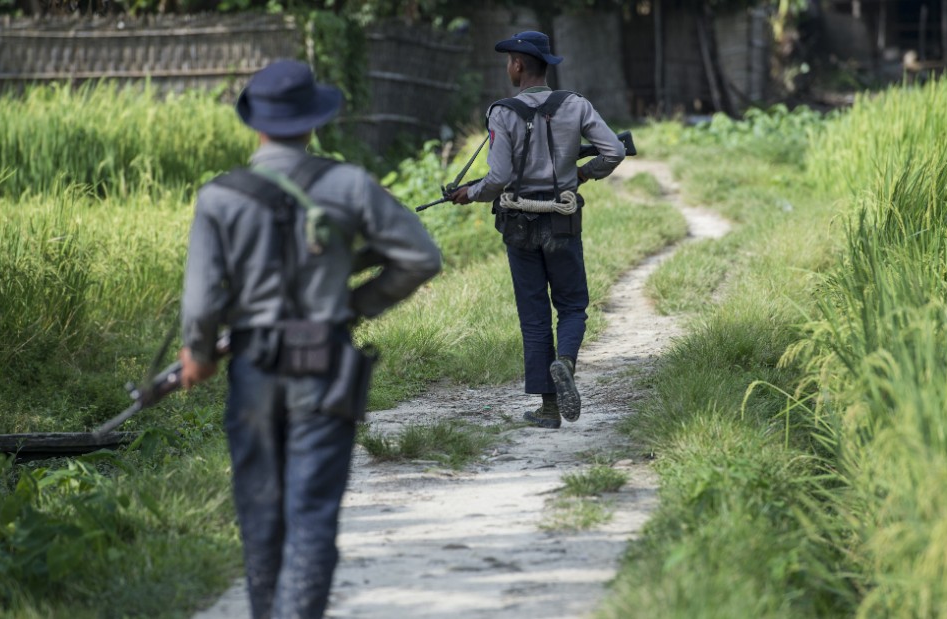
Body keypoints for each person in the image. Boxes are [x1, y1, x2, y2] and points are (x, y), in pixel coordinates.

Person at [178, 60, 442, 619]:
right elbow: (420, 258)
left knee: (259, 512)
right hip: (325, 363)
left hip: (252, 368)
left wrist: (197, 356)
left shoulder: (218, 197)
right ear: (314, 122)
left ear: (259, 126)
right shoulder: (347, 184)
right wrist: (355, 305)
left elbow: (200, 306)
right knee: (313, 514)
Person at [451, 31, 624, 430]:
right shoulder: (576, 105)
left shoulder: (502, 112)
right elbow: (613, 151)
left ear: (517, 65)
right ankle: (564, 362)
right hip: (561, 220)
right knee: (573, 305)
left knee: (533, 314)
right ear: (545, 65)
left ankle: (548, 411)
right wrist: (582, 172)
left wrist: (469, 193)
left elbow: (498, 178)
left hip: (518, 223)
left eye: (508, 61)